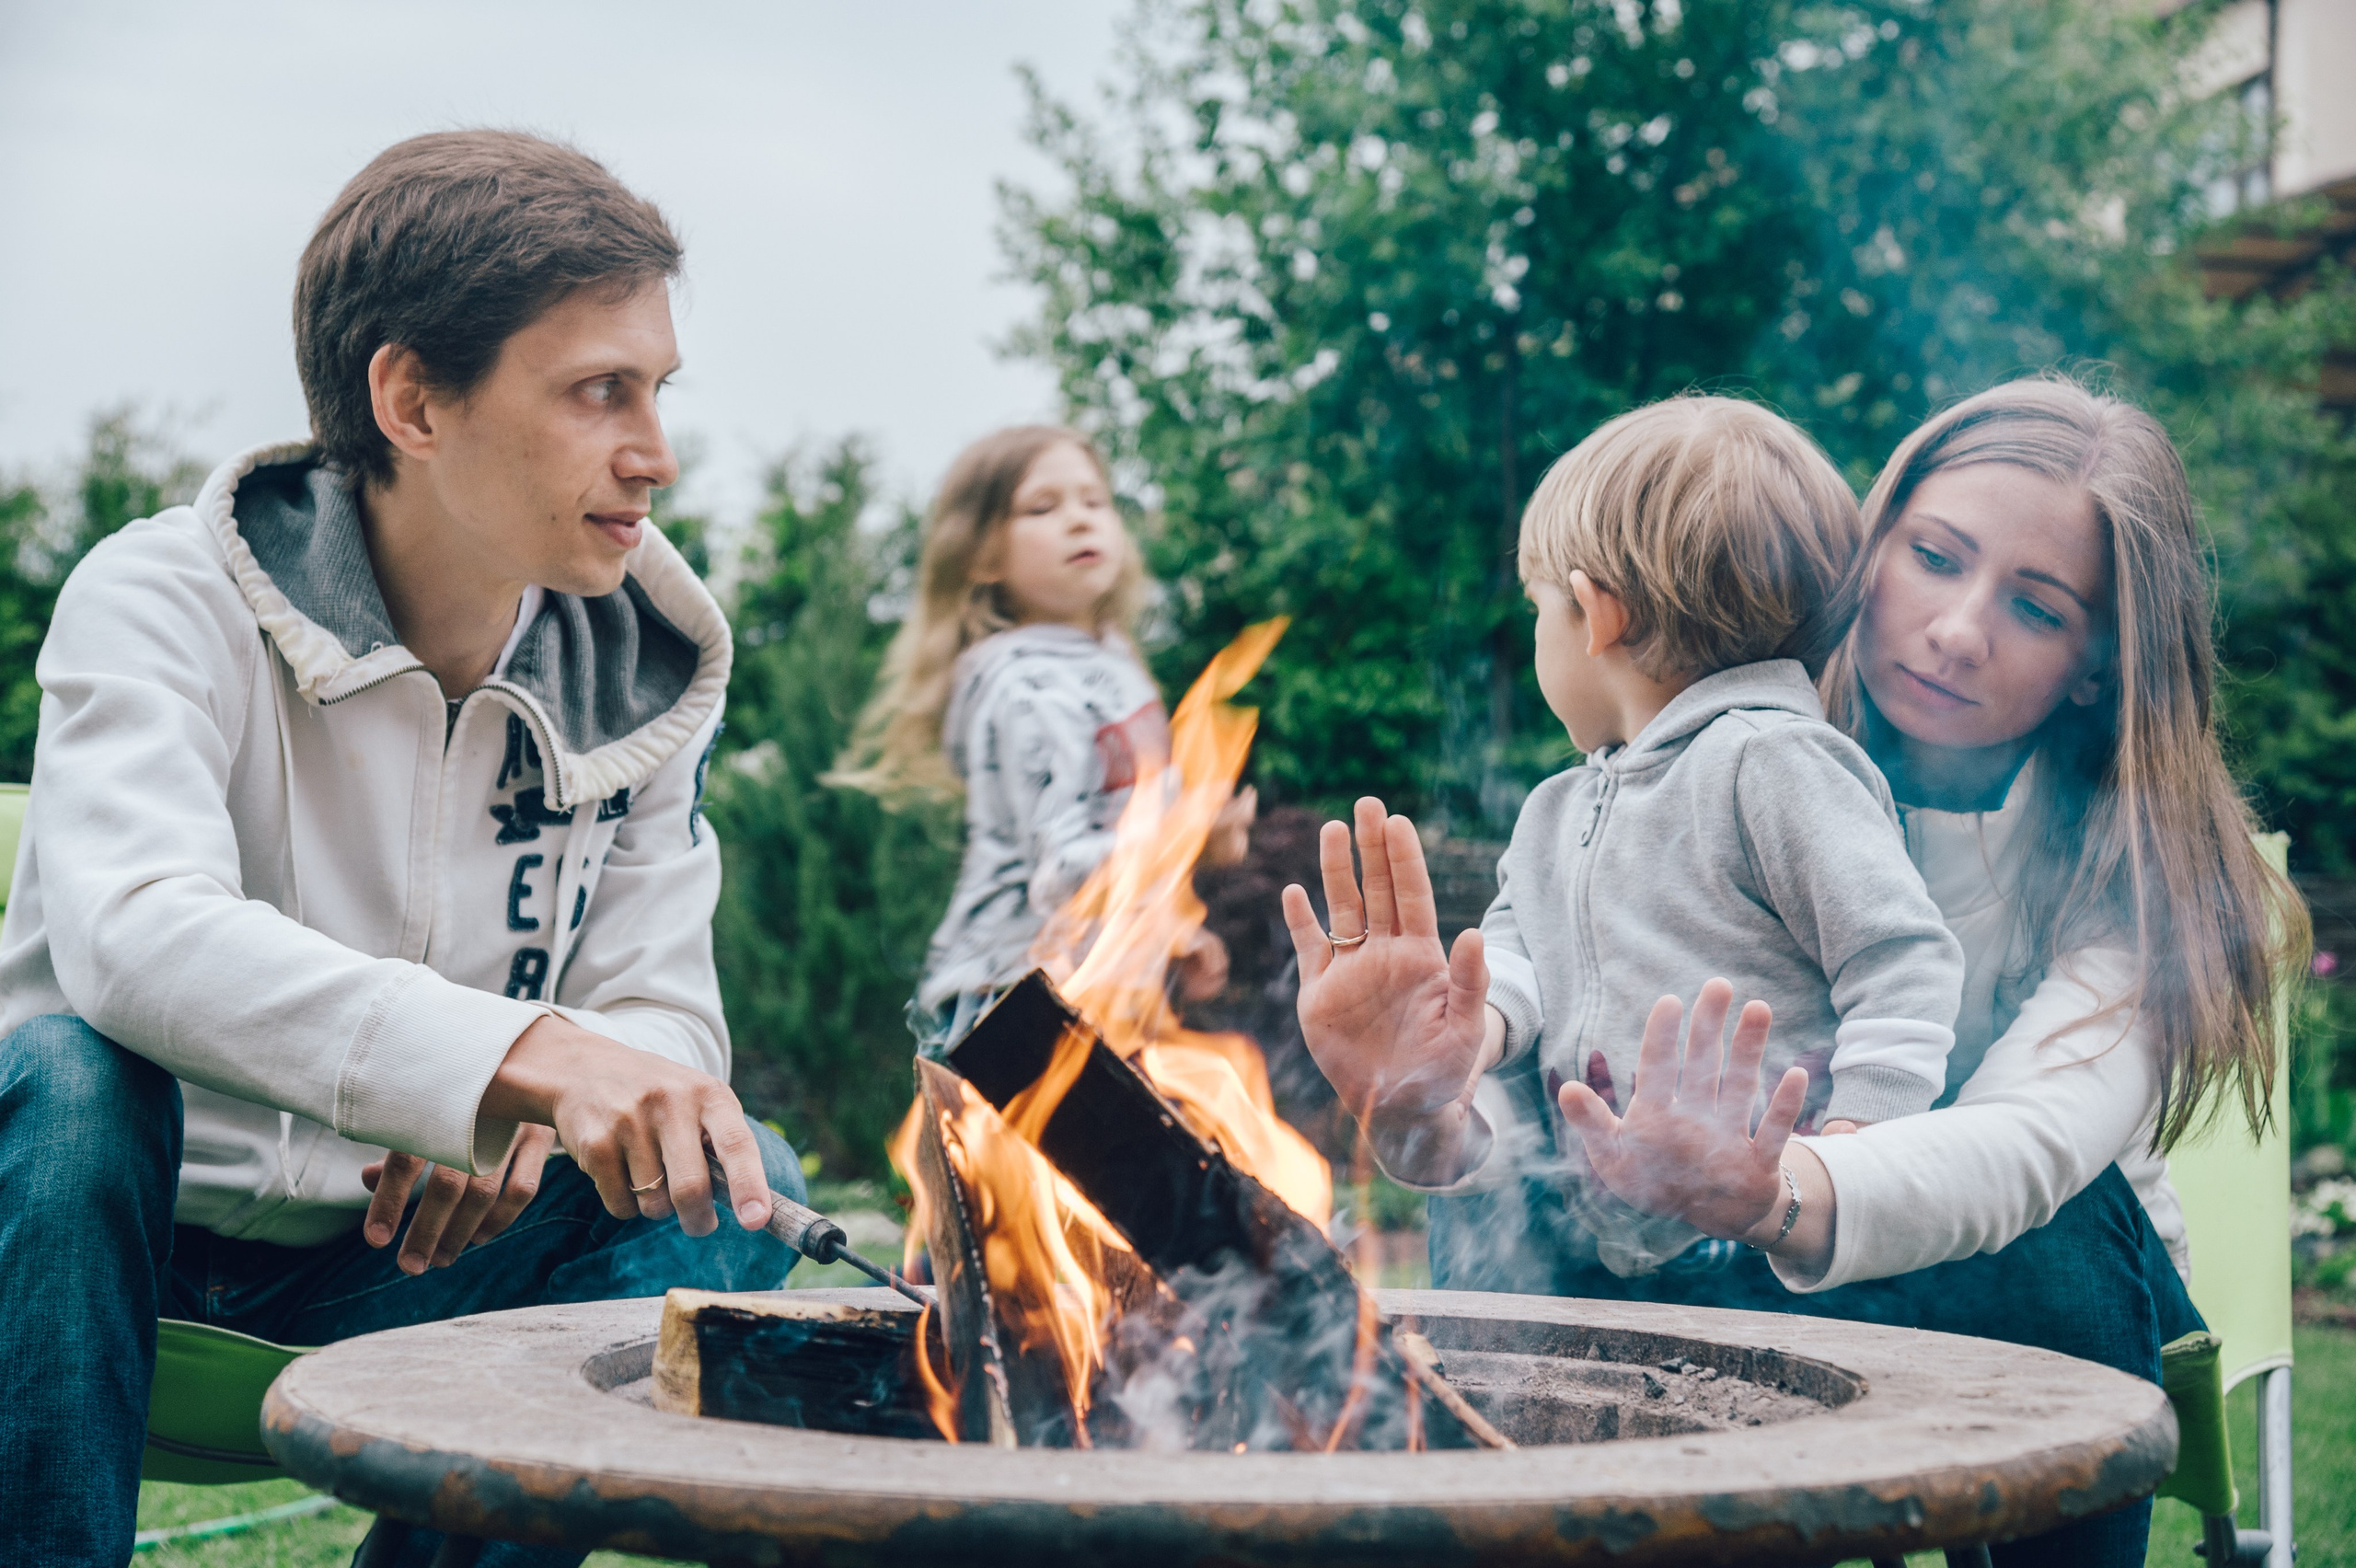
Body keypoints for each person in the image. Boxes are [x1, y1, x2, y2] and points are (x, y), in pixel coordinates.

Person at [1291, 376, 2304, 1566]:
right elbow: (1556, 998)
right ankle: (1533, 1513)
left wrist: (1780, 1184)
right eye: (1934, 557)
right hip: (1709, 1249)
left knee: (2064, 1207)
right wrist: (1440, 1072)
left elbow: (2027, 1148)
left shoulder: (2135, 873)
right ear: (1864, 559)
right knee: (1529, 1092)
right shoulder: (1675, 778)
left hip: (2019, 1290)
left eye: (2036, 607)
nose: (1958, 629)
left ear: (2095, 663)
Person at [0, 131, 806, 1568]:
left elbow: (668, 1020)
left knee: (726, 1185)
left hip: (391, 1273)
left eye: (659, 390)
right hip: (90, 1244)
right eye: (599, 391)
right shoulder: (159, 594)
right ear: (412, 402)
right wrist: (508, 1058)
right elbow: (130, 937)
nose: (657, 455)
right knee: (68, 1076)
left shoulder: (648, 678)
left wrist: (529, 1101)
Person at [1292, 395, 1967, 1281]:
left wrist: (1853, 1150)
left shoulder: (1772, 761)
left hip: (1758, 1249)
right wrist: (1455, 1036)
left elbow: (1903, 962)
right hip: (1602, 1240)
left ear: (1593, 612)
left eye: (1538, 606)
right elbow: (1520, 963)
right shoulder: (1557, 810)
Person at [831, 426, 1250, 1055]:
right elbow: (1061, 871)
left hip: (1089, 989)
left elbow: (1119, 834)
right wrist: (1188, 836)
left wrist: (1171, 926)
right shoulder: (1024, 686)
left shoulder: (1112, 664)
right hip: (1007, 998)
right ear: (980, 556)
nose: (1080, 520)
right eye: (1043, 507)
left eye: (1095, 500)